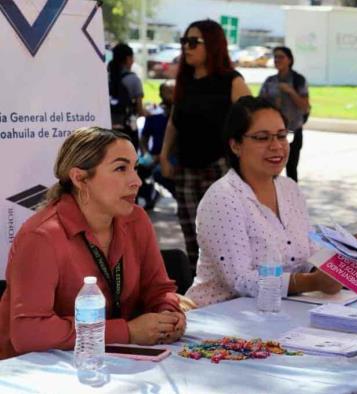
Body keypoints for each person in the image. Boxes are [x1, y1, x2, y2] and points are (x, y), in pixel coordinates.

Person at [0, 127, 185, 360]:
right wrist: (127, 332)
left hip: (111, 361)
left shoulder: (136, 219)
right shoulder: (41, 236)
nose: (136, 181)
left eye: (134, 168)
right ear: (79, 178)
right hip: (37, 371)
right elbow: (28, 332)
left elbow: (159, 289)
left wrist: (169, 314)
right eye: (120, 168)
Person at [185, 97, 357, 307]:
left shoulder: (290, 189)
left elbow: (306, 255)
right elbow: (239, 280)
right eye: (262, 138)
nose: (276, 146)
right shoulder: (223, 198)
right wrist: (312, 282)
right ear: (236, 145)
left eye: (282, 136)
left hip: (281, 311)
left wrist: (341, 256)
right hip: (220, 316)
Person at [160, 20, 252, 270]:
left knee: (222, 238)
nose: (186, 48)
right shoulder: (186, 80)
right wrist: (164, 155)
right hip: (186, 171)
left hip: (219, 171)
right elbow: (174, 122)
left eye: (193, 42)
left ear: (212, 45)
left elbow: (253, 123)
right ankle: (199, 291)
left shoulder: (232, 81)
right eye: (184, 42)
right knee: (193, 237)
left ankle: (231, 290)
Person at [258, 46, 310, 182]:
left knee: (291, 169)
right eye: (275, 57)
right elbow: (258, 104)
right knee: (270, 169)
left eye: (281, 57)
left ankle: (293, 200)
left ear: (290, 60)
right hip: (271, 133)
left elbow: (305, 107)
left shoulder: (298, 80)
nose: (277, 60)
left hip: (293, 130)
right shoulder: (270, 81)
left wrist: (290, 91)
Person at [138, 80, 176, 210]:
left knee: (159, 173)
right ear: (161, 94)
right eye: (168, 92)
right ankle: (149, 194)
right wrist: (146, 153)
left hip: (173, 156)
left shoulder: (180, 114)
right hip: (154, 155)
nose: (171, 95)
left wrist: (162, 156)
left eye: (173, 91)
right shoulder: (154, 114)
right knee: (135, 172)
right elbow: (143, 138)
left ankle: (179, 197)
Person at [108, 43, 148, 148]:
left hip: (107, 130)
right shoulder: (133, 80)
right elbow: (140, 110)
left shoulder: (107, 78)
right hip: (127, 131)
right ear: (128, 58)